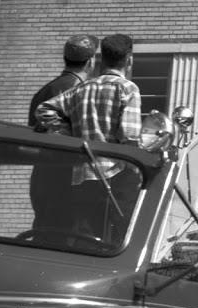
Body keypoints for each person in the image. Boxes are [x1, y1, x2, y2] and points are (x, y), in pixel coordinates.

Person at [35, 34, 143, 243]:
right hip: (116, 177)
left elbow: (44, 110)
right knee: (118, 241)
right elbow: (130, 137)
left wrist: (71, 133)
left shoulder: (82, 88)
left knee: (86, 239)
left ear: (101, 60)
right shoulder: (127, 88)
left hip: (83, 177)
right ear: (129, 60)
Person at [26, 34, 98, 232]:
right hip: (68, 182)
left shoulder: (43, 91)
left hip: (41, 178)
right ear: (91, 62)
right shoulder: (81, 92)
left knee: (43, 238)